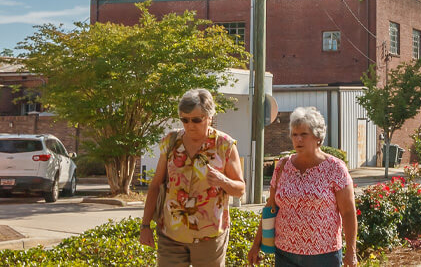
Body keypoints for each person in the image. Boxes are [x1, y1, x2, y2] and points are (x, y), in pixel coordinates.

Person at [140, 89, 246, 267]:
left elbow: (240, 189)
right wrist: (145, 226)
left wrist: (222, 180)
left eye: (197, 120)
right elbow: (156, 185)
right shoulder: (171, 141)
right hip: (171, 234)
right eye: (184, 120)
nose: (190, 125)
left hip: (209, 236)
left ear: (210, 117)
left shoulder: (224, 145)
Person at [248, 107, 357, 267]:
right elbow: (270, 206)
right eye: (294, 135)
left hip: (323, 255)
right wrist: (256, 245)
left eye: (304, 135)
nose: (298, 139)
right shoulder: (282, 166)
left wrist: (351, 252)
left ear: (317, 137)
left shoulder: (335, 168)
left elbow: (348, 212)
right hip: (285, 254)